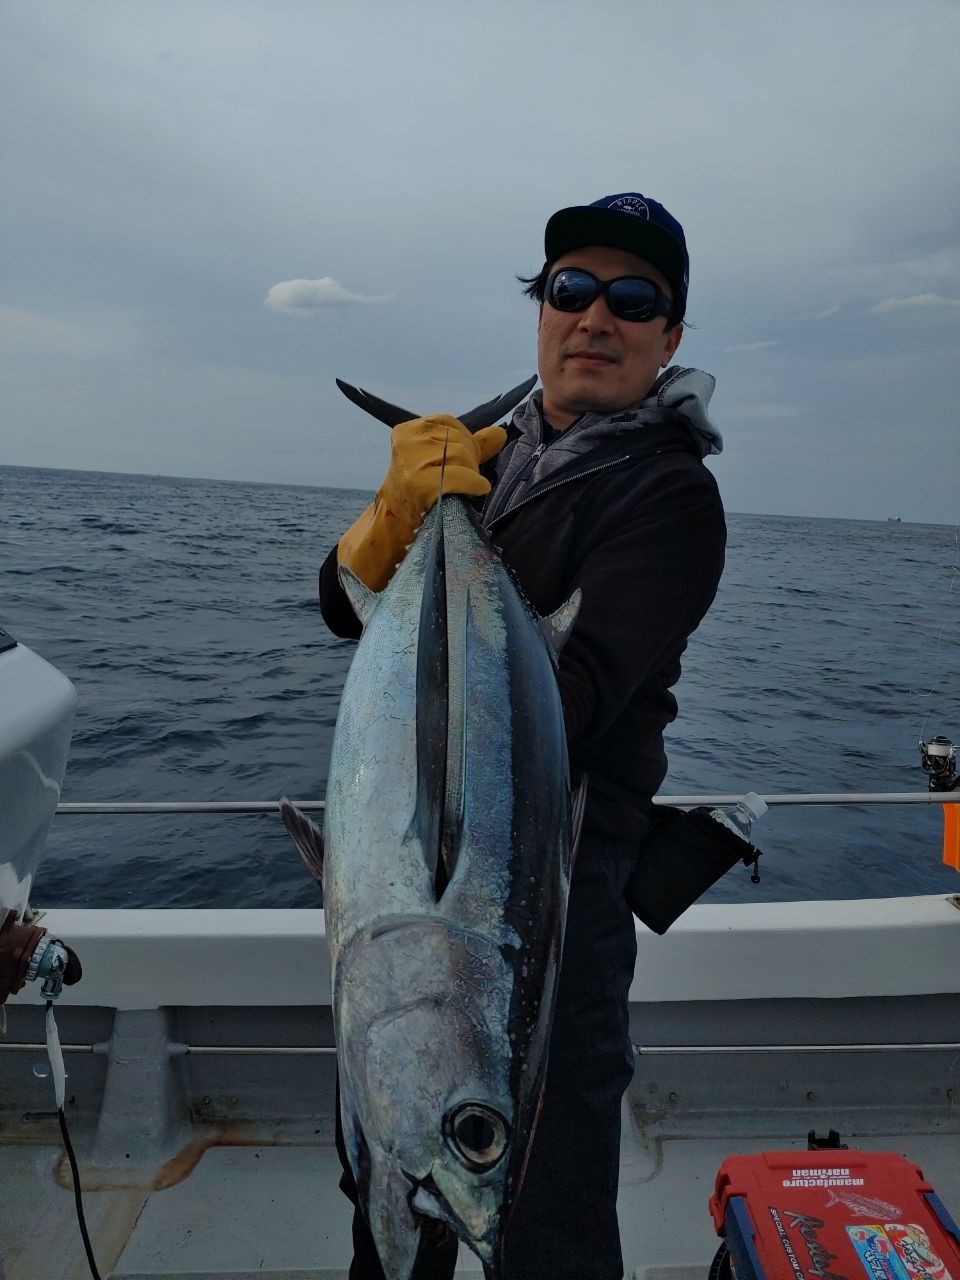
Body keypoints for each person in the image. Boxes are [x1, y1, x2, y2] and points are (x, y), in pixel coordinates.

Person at [319, 192, 726, 1280]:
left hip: (555, 890)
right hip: (402, 862)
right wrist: (392, 515)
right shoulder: (476, 446)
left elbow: (574, 697)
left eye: (633, 299)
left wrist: (458, 560)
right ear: (542, 309)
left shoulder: (673, 497)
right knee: (391, 1176)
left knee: (542, 1211)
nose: (596, 316)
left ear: (670, 334)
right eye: (571, 290)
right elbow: (338, 604)